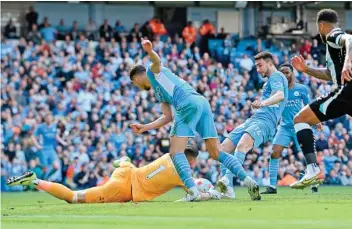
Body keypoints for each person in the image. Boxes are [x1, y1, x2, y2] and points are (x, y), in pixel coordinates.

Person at [129, 38, 260, 201]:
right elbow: (167, 117)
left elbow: (156, 61)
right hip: (201, 102)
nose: (138, 87)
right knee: (216, 152)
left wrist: (149, 51)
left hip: (186, 103)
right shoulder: (159, 91)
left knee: (176, 152)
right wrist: (144, 127)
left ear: (136, 79)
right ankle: (249, 181)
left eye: (136, 84)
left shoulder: (151, 71)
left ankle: (193, 192)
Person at [290, 9, 352, 189]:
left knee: (300, 119)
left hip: (349, 91)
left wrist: (348, 62)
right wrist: (307, 69)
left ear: (322, 25)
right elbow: (330, 74)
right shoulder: (334, 51)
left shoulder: (333, 35)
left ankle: (312, 169)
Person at [7, 145, 221, 203]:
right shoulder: (182, 174)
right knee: (74, 198)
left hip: (127, 171)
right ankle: (35, 180)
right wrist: (212, 194)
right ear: (192, 160)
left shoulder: (168, 155)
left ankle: (120, 160)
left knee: (126, 162)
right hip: (123, 189)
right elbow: (195, 193)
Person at [217, 51, 288, 199]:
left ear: (270, 63)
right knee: (223, 148)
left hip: (266, 122)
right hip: (254, 119)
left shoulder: (277, 76)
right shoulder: (269, 81)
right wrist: (259, 105)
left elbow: (280, 95)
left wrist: (263, 103)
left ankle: (227, 180)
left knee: (242, 145)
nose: (258, 69)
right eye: (256, 66)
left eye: (260, 65)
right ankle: (228, 190)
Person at [260, 63, 323, 195]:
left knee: (308, 154)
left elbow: (309, 106)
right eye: (282, 72)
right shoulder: (277, 91)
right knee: (274, 152)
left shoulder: (301, 89)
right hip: (284, 127)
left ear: (292, 73)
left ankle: (314, 183)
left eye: (287, 72)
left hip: (300, 125)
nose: (284, 75)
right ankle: (272, 186)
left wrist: (316, 120)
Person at [32, 113, 67, 179]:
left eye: (50, 117)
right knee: (44, 169)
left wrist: (63, 142)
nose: (49, 119)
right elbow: (33, 137)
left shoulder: (54, 126)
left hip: (51, 149)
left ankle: (47, 178)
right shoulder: (40, 127)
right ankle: (40, 182)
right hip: (43, 149)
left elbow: (56, 136)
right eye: (47, 117)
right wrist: (37, 145)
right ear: (45, 119)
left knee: (56, 167)